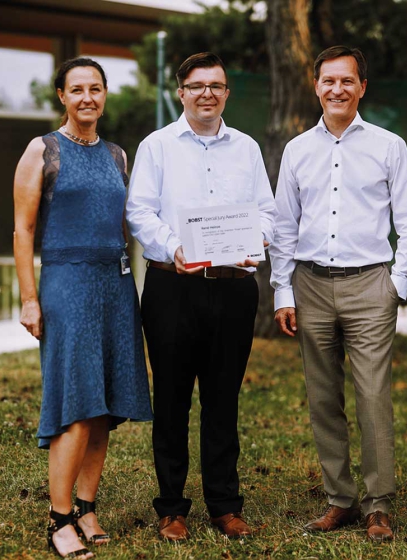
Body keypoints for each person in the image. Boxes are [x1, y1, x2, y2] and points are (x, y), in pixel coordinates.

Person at [269, 45, 407, 542]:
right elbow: (283, 226)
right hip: (309, 284)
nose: (337, 89)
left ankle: (378, 504)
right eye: (328, 81)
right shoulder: (297, 149)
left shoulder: (388, 145)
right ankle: (341, 500)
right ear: (316, 86)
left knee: (373, 396)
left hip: (370, 283)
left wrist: (397, 284)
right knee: (322, 397)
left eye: (347, 81)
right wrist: (282, 293)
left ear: (362, 87)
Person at [126, 52, 275, 542]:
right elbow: (140, 212)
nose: (207, 93)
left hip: (234, 290)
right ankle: (171, 508)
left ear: (227, 93)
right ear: (181, 92)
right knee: (171, 400)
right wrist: (175, 247)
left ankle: (225, 505)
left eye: (216, 85)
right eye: (197, 85)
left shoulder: (247, 148)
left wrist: (260, 242)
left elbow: (267, 212)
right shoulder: (157, 146)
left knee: (222, 401)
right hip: (173, 287)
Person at [13, 57, 153, 559]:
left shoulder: (117, 155)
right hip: (66, 284)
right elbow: (24, 230)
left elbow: (128, 224)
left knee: (104, 406)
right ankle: (59, 518)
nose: (87, 97)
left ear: (105, 94)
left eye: (96, 88)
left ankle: (88, 506)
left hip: (114, 285)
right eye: (77, 90)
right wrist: (30, 298)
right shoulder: (42, 150)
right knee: (76, 403)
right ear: (62, 96)